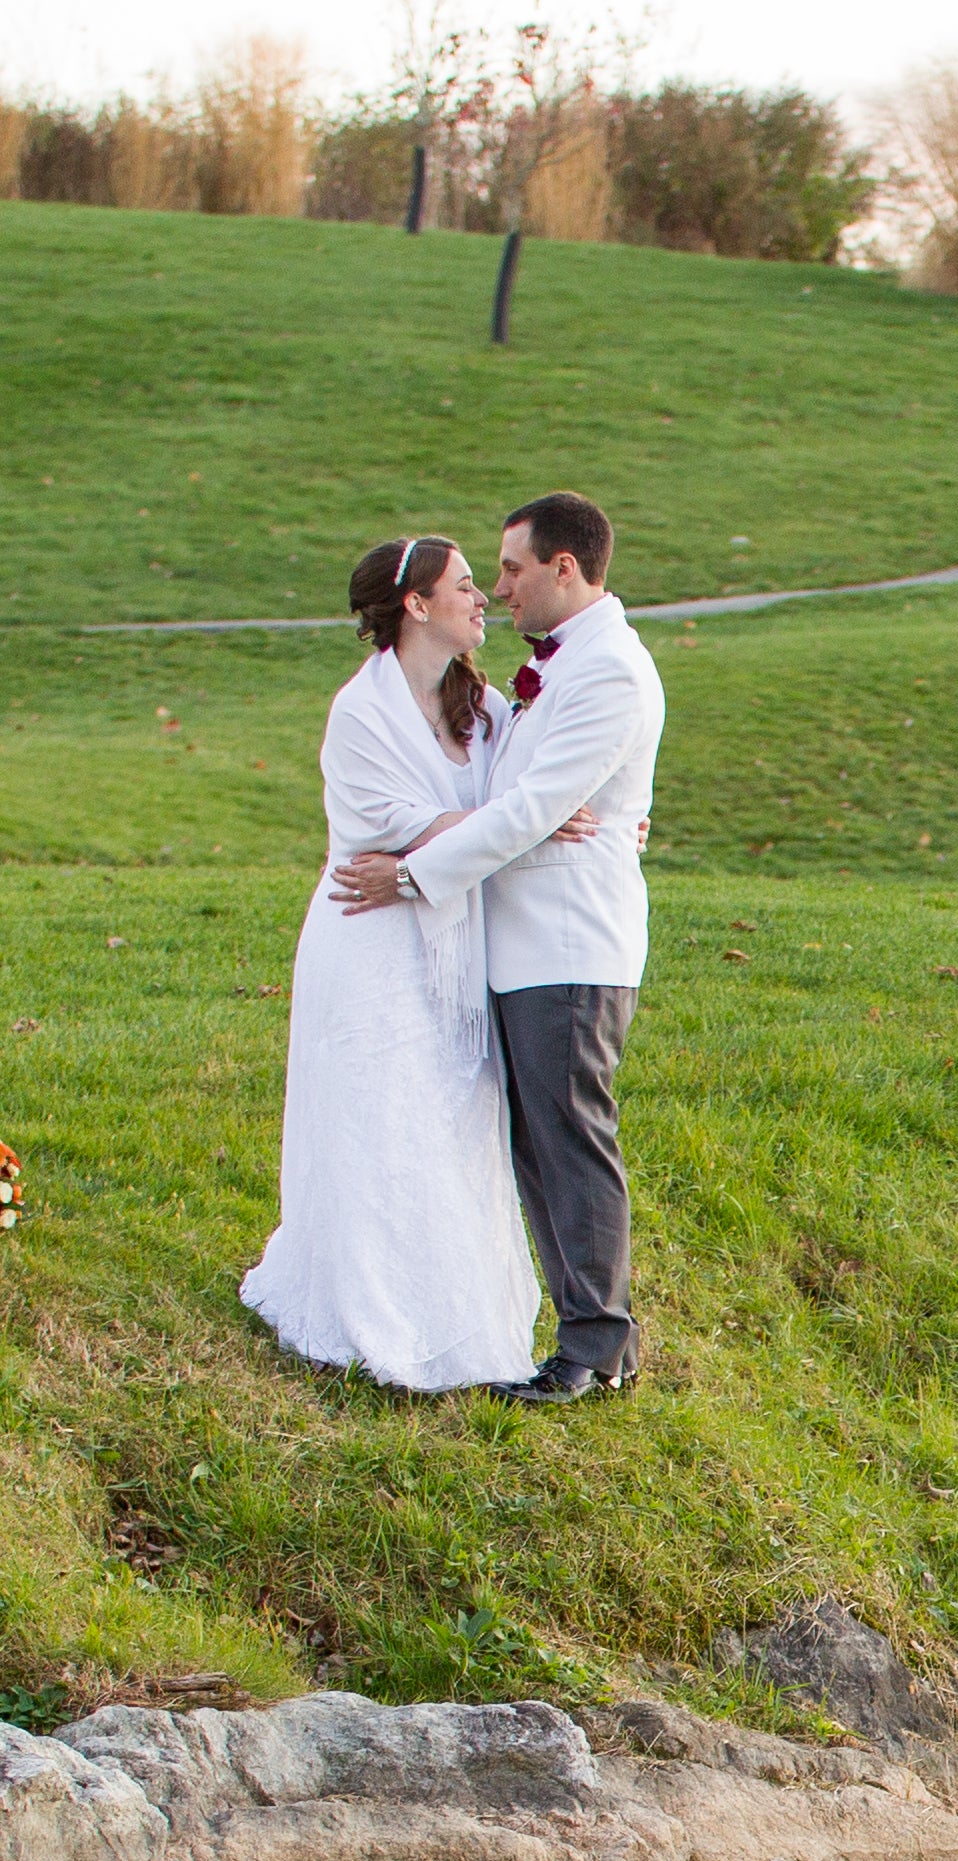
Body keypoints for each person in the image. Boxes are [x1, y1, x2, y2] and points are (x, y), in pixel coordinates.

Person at [328, 494, 665, 1407]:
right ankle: (597, 1342)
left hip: (567, 944)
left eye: (511, 569)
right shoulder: (561, 667)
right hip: (522, 945)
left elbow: (528, 812)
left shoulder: (608, 673)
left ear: (566, 567)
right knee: (540, 1144)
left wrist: (409, 875)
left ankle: (594, 1348)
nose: (501, 587)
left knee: (569, 1140)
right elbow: (532, 796)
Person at [240, 537, 543, 1393]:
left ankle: (458, 1315)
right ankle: (374, 1315)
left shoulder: (483, 705)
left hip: (452, 938)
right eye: (463, 587)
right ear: (415, 606)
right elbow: (402, 821)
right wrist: (525, 818)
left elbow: (522, 790)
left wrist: (563, 809)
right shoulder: (360, 713)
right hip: (371, 938)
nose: (483, 600)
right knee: (382, 1118)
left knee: (454, 1117)